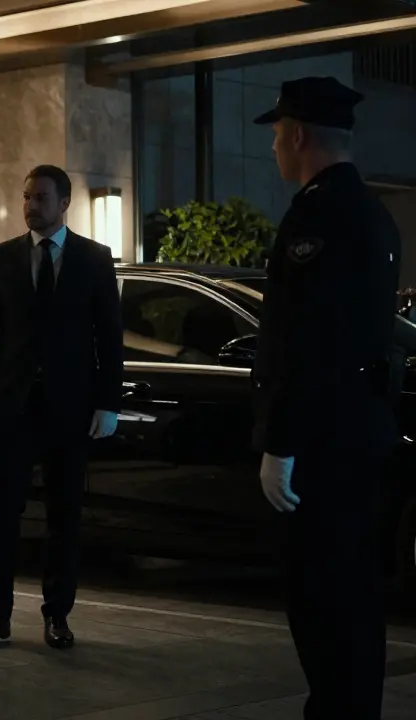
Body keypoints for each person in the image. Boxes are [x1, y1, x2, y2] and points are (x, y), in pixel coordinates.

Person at [251, 76, 401, 720]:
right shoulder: (372, 210)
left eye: (278, 136)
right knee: (356, 597)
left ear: (300, 135)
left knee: (321, 598)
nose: (275, 150)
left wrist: (280, 443)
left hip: (322, 444)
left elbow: (305, 339)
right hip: (360, 431)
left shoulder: (316, 215)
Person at [0, 164, 123, 652]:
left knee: (63, 516)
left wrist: (107, 402)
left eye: (41, 198)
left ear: (64, 202)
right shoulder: (2, 258)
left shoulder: (94, 260)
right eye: (27, 196)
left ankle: (57, 615)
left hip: (69, 409)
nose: (31, 205)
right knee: (3, 517)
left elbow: (109, 338)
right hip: (10, 407)